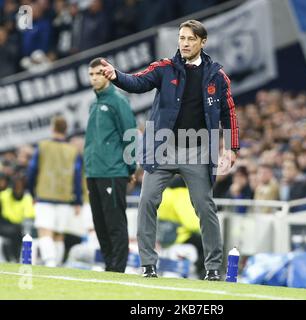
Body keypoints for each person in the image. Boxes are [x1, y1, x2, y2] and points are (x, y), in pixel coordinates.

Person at [99, 19, 239, 280]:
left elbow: (228, 111)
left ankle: (212, 269)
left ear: (202, 42)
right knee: (147, 202)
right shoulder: (164, 68)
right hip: (163, 148)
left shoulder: (217, 76)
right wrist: (116, 76)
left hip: (198, 150)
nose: (184, 43)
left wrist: (231, 148)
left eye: (190, 39)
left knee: (205, 208)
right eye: (182, 38)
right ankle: (148, 265)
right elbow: (138, 82)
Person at [84, 57, 137, 273]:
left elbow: (130, 135)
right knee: (100, 223)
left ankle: (118, 268)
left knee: (115, 223)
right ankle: (109, 265)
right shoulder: (94, 104)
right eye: (91, 74)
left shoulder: (118, 101)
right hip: (94, 171)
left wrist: (131, 168)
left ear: (107, 74)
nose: (95, 77)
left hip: (113, 171)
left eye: (98, 73)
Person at [27, 116, 83, 267]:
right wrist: (78, 200)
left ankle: (50, 263)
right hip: (65, 197)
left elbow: (32, 171)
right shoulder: (73, 151)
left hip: (45, 195)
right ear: (66, 130)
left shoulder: (43, 146)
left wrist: (32, 193)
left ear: (52, 128)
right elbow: (77, 177)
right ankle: (56, 265)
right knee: (58, 235)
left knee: (45, 231)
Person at [0, 172, 35, 262]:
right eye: (16, 186)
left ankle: (16, 259)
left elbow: (29, 217)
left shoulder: (27, 198)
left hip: (19, 227)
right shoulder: (3, 195)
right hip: (4, 224)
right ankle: (10, 259)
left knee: (23, 232)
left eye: (20, 186)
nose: (18, 188)